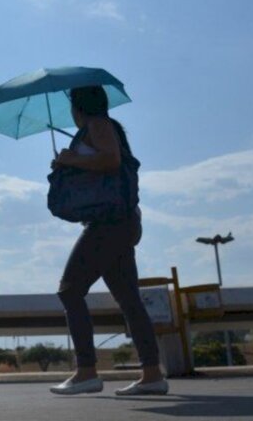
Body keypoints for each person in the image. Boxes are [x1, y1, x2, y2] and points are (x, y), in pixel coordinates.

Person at [48, 85, 168, 396]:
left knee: (70, 290)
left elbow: (111, 160)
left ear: (78, 106)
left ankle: (86, 371)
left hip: (108, 225)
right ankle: (152, 374)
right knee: (129, 299)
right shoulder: (105, 126)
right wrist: (67, 161)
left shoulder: (98, 125)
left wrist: (70, 160)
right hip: (120, 222)